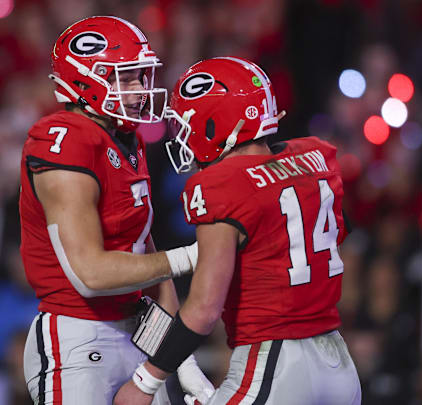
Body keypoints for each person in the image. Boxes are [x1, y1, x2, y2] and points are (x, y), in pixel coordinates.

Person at [115, 57, 361, 405]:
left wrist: (145, 381)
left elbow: (203, 309)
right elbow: (337, 234)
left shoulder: (221, 184)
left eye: (187, 123)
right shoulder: (314, 157)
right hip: (339, 363)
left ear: (218, 123)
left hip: (275, 363)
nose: (182, 136)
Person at [19, 16, 212, 405]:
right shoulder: (66, 140)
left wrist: (181, 357)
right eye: (127, 78)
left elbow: (144, 249)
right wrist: (193, 256)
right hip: (78, 337)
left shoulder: (126, 138)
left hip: (136, 329)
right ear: (86, 80)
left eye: (141, 76)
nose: (141, 89)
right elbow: (91, 275)